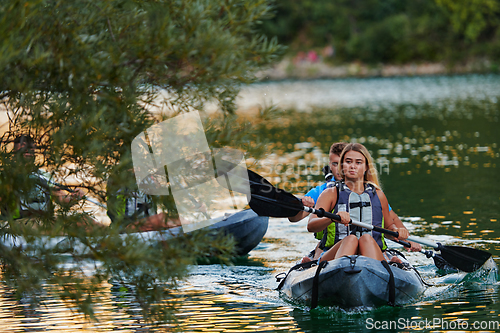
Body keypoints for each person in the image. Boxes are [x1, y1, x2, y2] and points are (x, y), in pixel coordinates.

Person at [290, 142, 420, 263]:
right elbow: (311, 226)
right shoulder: (329, 193)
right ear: (342, 166)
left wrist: (398, 231)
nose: (352, 166)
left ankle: (386, 265)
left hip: (370, 249)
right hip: (336, 253)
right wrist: (332, 219)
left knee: (366, 239)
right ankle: (330, 269)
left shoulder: (378, 195)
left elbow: (389, 228)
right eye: (348, 162)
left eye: (358, 162)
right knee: (351, 239)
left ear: (366, 167)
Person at [0, 134, 86, 222]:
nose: (26, 152)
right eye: (22, 150)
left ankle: (100, 233)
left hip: (44, 223)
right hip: (18, 224)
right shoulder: (5, 176)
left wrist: (75, 197)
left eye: (29, 149)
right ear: (14, 153)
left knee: (84, 220)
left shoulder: (44, 176)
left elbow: (62, 200)